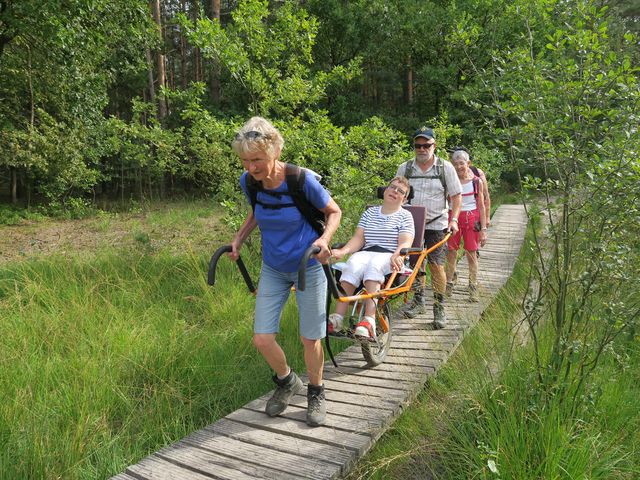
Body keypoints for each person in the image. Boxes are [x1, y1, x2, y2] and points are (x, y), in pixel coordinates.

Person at [228, 116, 341, 427]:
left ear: (274, 150)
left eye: (258, 160)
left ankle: (316, 391)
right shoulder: (248, 181)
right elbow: (257, 212)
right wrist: (239, 237)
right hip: (274, 267)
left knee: (310, 337)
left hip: (308, 266)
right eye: (245, 160)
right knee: (262, 339)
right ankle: (288, 381)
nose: (251, 167)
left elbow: (334, 211)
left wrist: (324, 239)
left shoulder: (301, 180)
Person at [329, 177, 415, 337]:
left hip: (389, 255)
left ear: (405, 199)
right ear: (385, 190)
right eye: (392, 187)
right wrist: (343, 251)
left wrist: (398, 254)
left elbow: (406, 241)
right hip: (366, 252)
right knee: (352, 265)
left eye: (401, 191)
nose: (395, 191)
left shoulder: (405, 216)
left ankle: (369, 320)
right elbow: (359, 239)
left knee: (374, 265)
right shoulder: (370, 213)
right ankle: (338, 318)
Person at [396, 127, 462, 329]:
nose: (422, 149)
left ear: (434, 146)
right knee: (415, 265)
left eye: (426, 145)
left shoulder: (445, 168)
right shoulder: (405, 168)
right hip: (411, 224)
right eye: (418, 145)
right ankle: (418, 301)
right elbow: (396, 193)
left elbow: (456, 196)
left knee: (436, 265)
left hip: (437, 224)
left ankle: (439, 306)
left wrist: (455, 219)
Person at [445, 149, 488, 301]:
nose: (458, 167)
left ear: (468, 163)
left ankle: (473, 286)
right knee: (451, 252)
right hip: (453, 218)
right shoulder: (449, 181)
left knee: (471, 253)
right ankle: (449, 283)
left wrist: (483, 229)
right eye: (455, 164)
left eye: (461, 163)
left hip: (472, 219)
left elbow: (481, 206)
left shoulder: (477, 182)